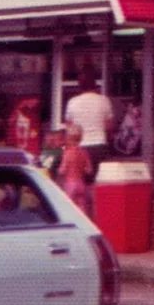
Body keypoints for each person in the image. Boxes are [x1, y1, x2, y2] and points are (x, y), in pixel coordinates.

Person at [64, 69, 114, 211]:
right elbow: (108, 126)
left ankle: (85, 217)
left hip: (79, 148)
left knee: (80, 186)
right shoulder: (104, 101)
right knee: (98, 186)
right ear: (95, 84)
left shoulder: (72, 102)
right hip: (99, 147)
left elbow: (69, 127)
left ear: (79, 85)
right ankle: (99, 218)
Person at [58, 123, 92, 212]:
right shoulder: (84, 152)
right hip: (81, 183)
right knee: (82, 211)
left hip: (70, 184)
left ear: (68, 137)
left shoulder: (67, 152)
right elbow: (89, 170)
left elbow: (62, 170)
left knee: (69, 210)